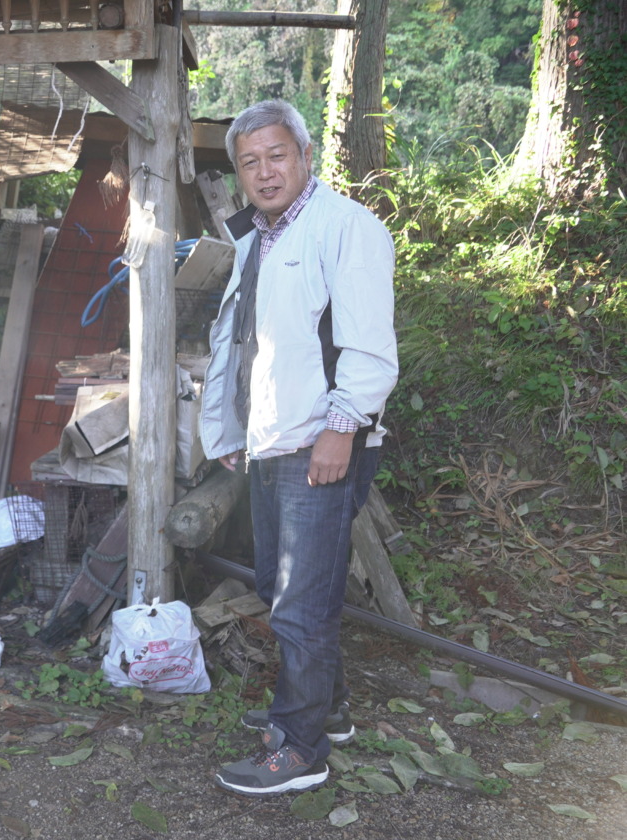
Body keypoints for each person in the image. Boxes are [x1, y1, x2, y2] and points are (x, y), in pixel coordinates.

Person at [199, 99, 399, 797]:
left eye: (276, 155)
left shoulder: (346, 227)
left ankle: (299, 747)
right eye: (250, 162)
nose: (264, 171)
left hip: (322, 439)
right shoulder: (258, 238)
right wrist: (230, 429)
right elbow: (246, 342)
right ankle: (329, 710)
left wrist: (341, 430)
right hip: (274, 441)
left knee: (300, 603)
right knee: (283, 587)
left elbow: (369, 346)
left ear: (306, 156)